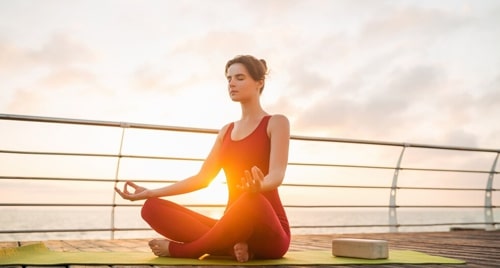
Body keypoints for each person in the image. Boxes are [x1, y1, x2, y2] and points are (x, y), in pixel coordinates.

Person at [115, 55, 291, 263]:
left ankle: (184, 250)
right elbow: (202, 178)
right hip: (232, 227)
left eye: (240, 78)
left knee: (250, 200)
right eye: (229, 78)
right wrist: (150, 192)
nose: (231, 83)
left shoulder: (276, 122)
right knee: (152, 208)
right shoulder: (226, 131)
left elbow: (277, 175)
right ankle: (231, 249)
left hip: (269, 231)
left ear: (259, 82)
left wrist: (260, 186)